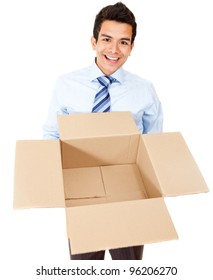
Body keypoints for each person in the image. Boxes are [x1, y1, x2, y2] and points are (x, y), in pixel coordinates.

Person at [43, 2, 163, 260]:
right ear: (93, 41)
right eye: (107, 39)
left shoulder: (144, 90)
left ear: (132, 47)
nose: (114, 49)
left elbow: (154, 142)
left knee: (128, 267)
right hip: (82, 194)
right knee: (85, 268)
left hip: (129, 196)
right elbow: (52, 135)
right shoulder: (66, 85)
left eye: (123, 42)